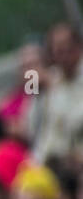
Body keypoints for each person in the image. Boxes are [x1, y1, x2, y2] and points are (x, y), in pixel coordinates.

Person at [33, 23, 83, 170]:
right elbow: (33, 127)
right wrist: (38, 93)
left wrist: (56, 92)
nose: (61, 56)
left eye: (65, 49)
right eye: (56, 51)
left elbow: (74, 123)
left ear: (78, 47)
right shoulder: (50, 79)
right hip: (47, 160)